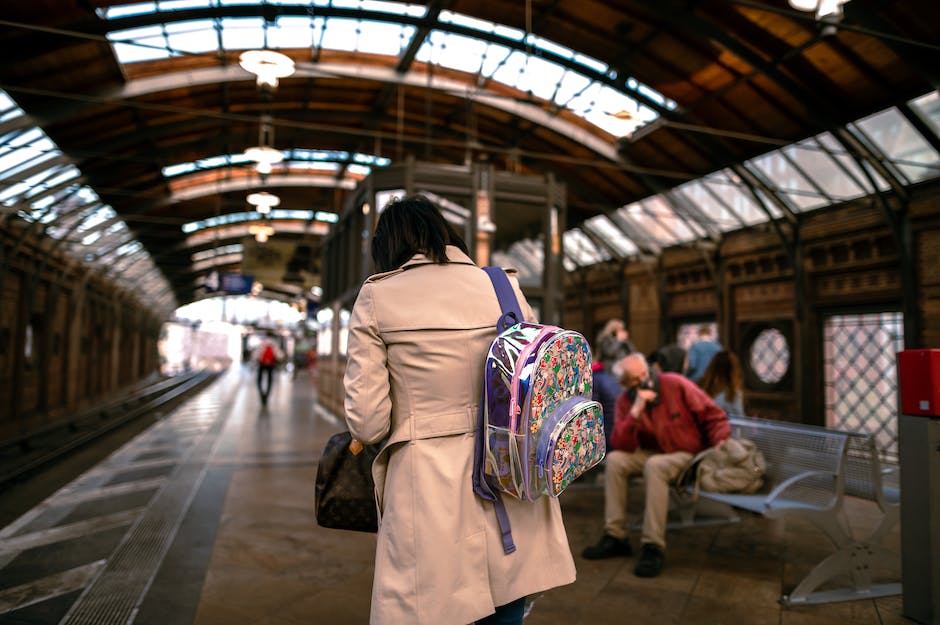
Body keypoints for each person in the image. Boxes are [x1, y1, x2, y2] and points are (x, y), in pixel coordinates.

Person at [343, 195, 575, 625]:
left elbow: (367, 421)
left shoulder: (377, 297)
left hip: (427, 483)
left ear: (387, 247)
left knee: (434, 606)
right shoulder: (502, 286)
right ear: (446, 233)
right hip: (510, 472)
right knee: (506, 599)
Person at [582, 353, 730, 578]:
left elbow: (713, 415)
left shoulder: (675, 384)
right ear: (626, 384)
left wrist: (720, 443)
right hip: (653, 453)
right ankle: (616, 536)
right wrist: (636, 411)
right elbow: (620, 443)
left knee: (655, 465)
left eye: (645, 374)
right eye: (635, 379)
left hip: (686, 453)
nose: (644, 380)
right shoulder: (626, 400)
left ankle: (653, 546)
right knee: (615, 461)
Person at [698, 350, 745, 417]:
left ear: (712, 367)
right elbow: (740, 420)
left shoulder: (701, 388)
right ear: (732, 371)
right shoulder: (733, 394)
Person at [591, 361, 621, 448]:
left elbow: (592, 415)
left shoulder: (593, 380)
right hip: (615, 433)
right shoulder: (609, 377)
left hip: (606, 438)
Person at [251, 333, 283, 405]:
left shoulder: (262, 343)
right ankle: (267, 395)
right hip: (270, 365)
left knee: (259, 380)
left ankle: (261, 394)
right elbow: (279, 355)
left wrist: (254, 361)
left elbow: (256, 354)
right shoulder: (274, 344)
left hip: (262, 364)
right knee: (270, 381)